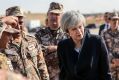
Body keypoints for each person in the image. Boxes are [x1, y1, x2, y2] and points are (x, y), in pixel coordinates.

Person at [57, 10, 112, 80]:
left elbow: (106, 72)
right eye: (74, 29)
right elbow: (63, 74)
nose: (79, 31)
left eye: (80, 27)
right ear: (67, 31)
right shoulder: (62, 46)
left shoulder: (97, 41)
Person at [0, 6, 49, 80]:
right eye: (13, 23)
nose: (18, 27)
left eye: (20, 22)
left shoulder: (32, 40)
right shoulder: (3, 43)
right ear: (7, 23)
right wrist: (2, 21)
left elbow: (41, 66)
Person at [35, 2, 66, 80]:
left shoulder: (68, 34)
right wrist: (52, 48)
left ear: (62, 17)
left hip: (64, 75)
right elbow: (35, 50)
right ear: (47, 15)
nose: (53, 17)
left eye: (57, 14)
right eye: (51, 14)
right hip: (45, 76)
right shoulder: (39, 34)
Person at [101, 11, 119, 80]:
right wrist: (113, 60)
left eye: (117, 19)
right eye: (113, 19)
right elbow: (103, 49)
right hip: (110, 65)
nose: (115, 21)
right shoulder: (104, 33)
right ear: (109, 20)